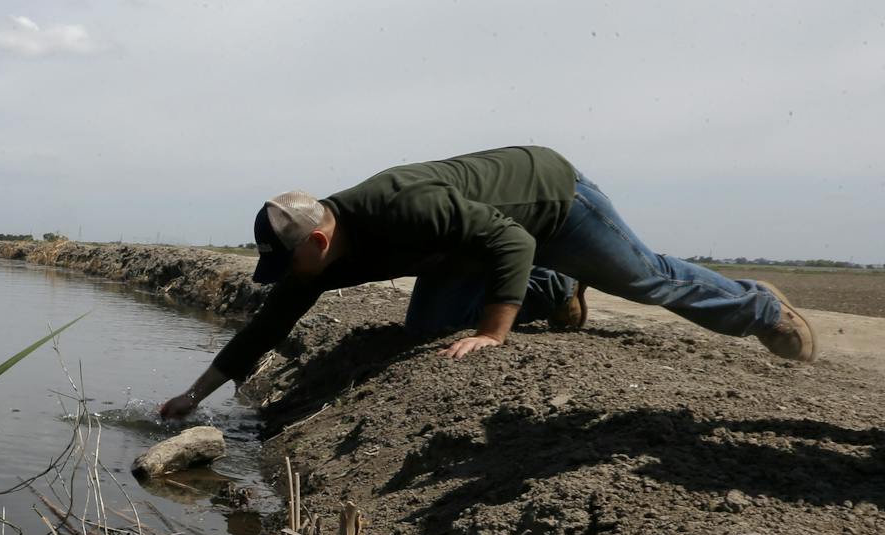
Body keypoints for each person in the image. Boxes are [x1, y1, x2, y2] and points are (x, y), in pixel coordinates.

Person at [157, 145, 815, 419]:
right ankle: (553, 290)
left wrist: (493, 334)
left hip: (550, 203)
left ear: (319, 240)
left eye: (288, 261)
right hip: (471, 245)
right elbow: (270, 323)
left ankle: (758, 307)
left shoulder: (398, 205)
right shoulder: (321, 257)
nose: (285, 276)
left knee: (646, 281)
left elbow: (512, 239)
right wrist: (195, 393)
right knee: (427, 331)